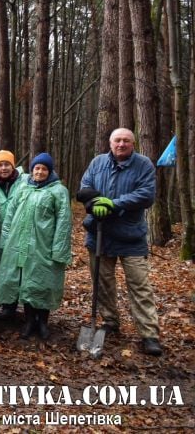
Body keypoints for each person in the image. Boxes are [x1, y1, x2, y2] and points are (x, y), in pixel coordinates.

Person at [79, 128, 162, 356]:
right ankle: (110, 322)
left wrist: (113, 203)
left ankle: (149, 334)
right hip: (100, 234)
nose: (121, 144)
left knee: (139, 285)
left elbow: (146, 195)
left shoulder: (143, 165)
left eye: (126, 140)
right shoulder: (97, 163)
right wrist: (94, 204)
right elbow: (85, 188)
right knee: (103, 283)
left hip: (131, 236)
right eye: (118, 140)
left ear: (133, 143)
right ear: (110, 142)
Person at [0, 153, 71, 340]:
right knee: (26, 282)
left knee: (44, 282)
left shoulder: (58, 191)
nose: (39, 172)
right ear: (32, 169)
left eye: (44, 169)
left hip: (44, 245)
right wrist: (5, 242)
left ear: (50, 171)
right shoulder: (23, 187)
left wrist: (59, 249)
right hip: (19, 244)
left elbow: (63, 222)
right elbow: (10, 216)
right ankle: (29, 322)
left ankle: (43, 322)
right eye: (37, 168)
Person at [0, 150, 27, 313]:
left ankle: (21, 302)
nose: (3, 168)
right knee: (0, 268)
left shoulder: (26, 181)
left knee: (19, 267)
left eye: (7, 164)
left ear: (13, 165)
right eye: (0, 165)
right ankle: (6, 304)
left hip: (20, 230)